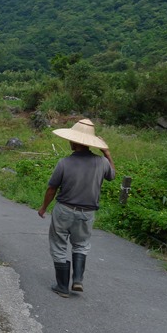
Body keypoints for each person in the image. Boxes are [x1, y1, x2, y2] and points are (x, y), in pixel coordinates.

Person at [38, 118, 115, 298]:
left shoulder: (64, 163)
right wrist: (107, 153)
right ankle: (78, 279)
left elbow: (52, 189)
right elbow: (112, 176)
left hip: (64, 209)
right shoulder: (102, 163)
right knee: (81, 245)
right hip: (87, 213)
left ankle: (63, 287)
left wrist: (43, 208)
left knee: (58, 245)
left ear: (74, 141)